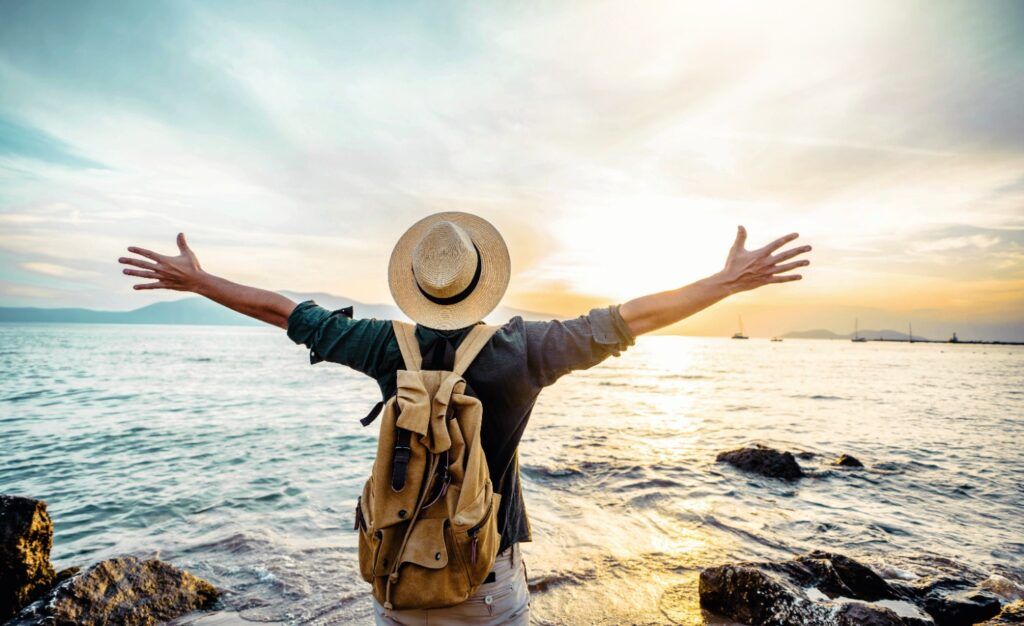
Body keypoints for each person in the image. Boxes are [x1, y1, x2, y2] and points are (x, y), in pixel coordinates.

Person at [118, 212, 810, 624]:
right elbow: (634, 317)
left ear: (418, 290)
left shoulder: (383, 346)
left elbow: (283, 311)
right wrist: (728, 282)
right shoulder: (526, 350)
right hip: (487, 582)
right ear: (485, 282)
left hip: (396, 580)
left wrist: (198, 280)